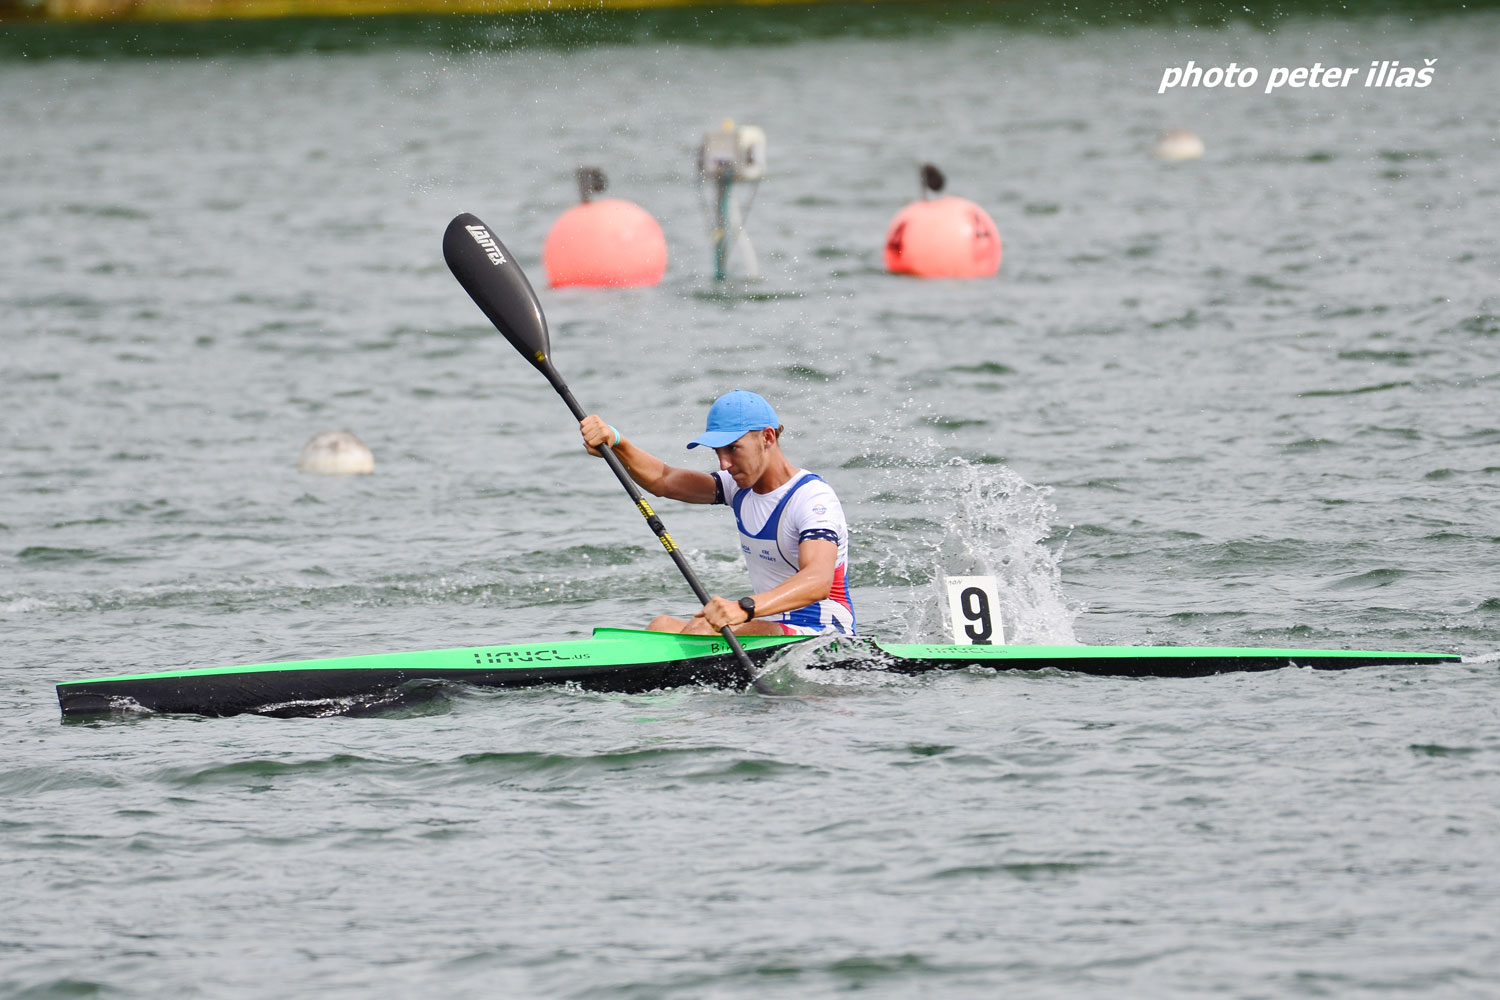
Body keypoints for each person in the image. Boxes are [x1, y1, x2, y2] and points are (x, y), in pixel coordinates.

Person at [579, 390, 856, 636]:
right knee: (661, 626)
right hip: (769, 624)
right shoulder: (739, 487)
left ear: (767, 438)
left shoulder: (811, 499)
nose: (724, 464)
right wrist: (616, 443)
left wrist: (744, 608)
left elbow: (818, 580)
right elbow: (663, 481)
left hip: (821, 631)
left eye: (733, 449)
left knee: (699, 630)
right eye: (718, 451)